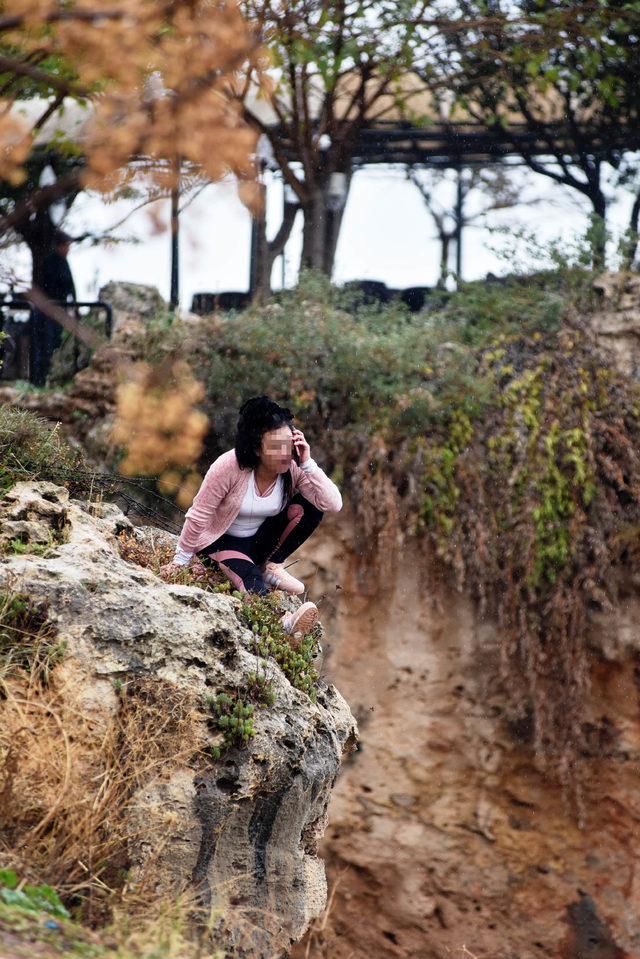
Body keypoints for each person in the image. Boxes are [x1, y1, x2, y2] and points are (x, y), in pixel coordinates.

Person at [163, 395, 343, 639]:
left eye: (287, 445)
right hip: (221, 542)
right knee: (247, 575)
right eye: (275, 447)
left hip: (257, 542)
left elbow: (332, 503)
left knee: (311, 506)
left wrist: (307, 463)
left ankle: (272, 565)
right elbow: (199, 514)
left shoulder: (292, 468)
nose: (284, 453)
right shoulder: (228, 466)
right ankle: (283, 622)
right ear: (257, 448)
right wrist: (181, 560)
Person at [30, 229, 76, 386]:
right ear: (60, 245)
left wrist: (75, 306)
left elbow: (71, 286)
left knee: (56, 344)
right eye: (67, 245)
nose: (69, 249)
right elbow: (50, 286)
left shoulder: (64, 262)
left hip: (59, 310)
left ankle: (51, 379)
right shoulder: (50, 261)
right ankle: (39, 381)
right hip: (47, 311)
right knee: (45, 346)